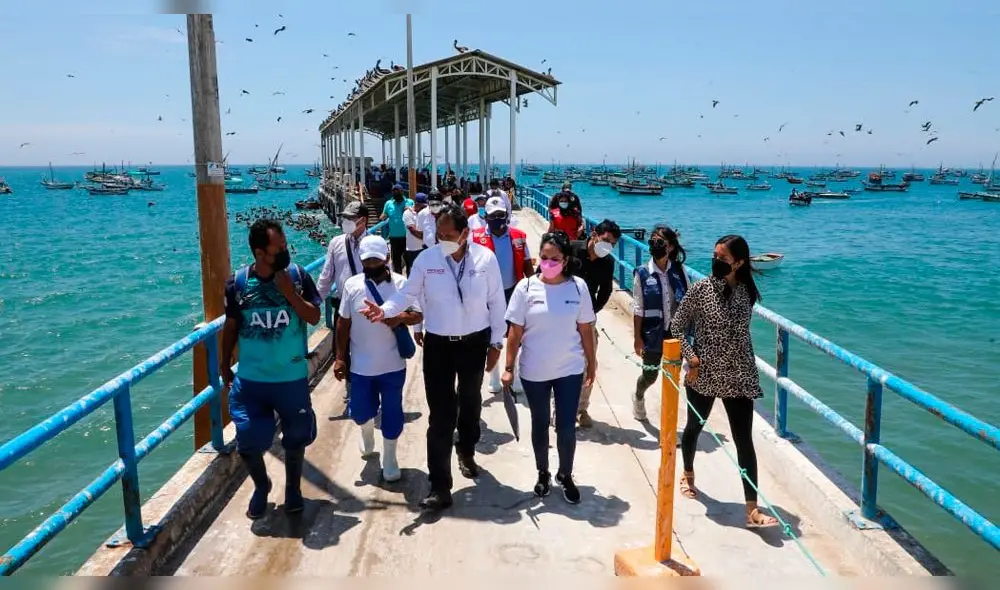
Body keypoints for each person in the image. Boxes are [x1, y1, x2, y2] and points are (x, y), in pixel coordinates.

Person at [359, 202, 507, 511]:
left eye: (449, 234)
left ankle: (466, 449)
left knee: (470, 403)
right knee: (440, 416)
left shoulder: (486, 259)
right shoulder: (427, 260)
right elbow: (407, 295)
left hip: (474, 344)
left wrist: (496, 346)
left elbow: (496, 303)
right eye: (438, 234)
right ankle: (440, 485)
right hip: (439, 346)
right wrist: (385, 310)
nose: (442, 240)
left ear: (465, 233)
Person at [669, 234, 778, 528]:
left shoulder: (747, 292)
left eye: (723, 258)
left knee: (744, 440)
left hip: (739, 374)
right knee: (694, 427)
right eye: (714, 256)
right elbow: (676, 327)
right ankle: (688, 473)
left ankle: (752, 509)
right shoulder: (701, 289)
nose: (715, 261)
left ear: (739, 262)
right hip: (703, 373)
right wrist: (690, 358)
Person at [220, 219, 322, 519]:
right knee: (249, 440)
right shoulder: (237, 284)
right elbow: (231, 324)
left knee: (296, 438)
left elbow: (315, 315)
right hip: (252, 381)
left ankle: (293, 488)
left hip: (291, 379)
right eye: (278, 246)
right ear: (259, 252)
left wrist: (290, 293)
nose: (285, 249)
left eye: (285, 243)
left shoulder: (298, 276)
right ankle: (262, 486)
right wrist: (224, 362)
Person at [502, 231, 596, 504]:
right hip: (534, 371)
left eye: (554, 259)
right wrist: (509, 367)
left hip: (570, 369)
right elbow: (515, 332)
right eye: (544, 258)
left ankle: (565, 474)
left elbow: (585, 329)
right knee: (540, 424)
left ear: (565, 260)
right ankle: (542, 472)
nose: (548, 263)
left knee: (566, 427)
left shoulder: (578, 287)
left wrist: (592, 362)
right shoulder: (526, 288)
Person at [335, 235, 423, 482]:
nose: (371, 265)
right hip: (361, 366)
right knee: (360, 412)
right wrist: (340, 358)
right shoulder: (352, 286)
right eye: (366, 261)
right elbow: (343, 323)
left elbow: (418, 314)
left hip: (393, 364)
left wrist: (399, 318)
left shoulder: (402, 283)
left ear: (385, 257)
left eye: (376, 260)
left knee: (393, 411)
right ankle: (365, 432)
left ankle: (390, 457)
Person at [471, 196, 535, 393]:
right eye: (493, 216)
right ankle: (494, 377)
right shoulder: (475, 237)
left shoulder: (519, 236)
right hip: (486, 293)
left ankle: (514, 373)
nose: (497, 219)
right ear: (486, 217)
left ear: (507, 216)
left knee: (516, 335)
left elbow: (526, 264)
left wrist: (533, 288)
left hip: (513, 291)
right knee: (492, 335)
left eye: (501, 215)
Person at [632, 224, 689, 421]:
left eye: (660, 242)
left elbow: (689, 302)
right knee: (650, 376)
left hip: (676, 335)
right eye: (652, 241)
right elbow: (638, 308)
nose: (655, 245)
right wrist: (637, 339)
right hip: (651, 334)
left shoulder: (680, 271)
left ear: (671, 247)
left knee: (672, 379)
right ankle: (638, 396)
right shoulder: (642, 273)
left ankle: (669, 424)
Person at [570, 219, 621, 427]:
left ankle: (581, 409)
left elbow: (606, 290)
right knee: (561, 365)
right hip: (561, 317)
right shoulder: (571, 249)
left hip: (587, 321)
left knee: (590, 364)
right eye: (605, 240)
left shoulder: (608, 262)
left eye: (613, 244)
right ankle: (560, 409)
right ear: (594, 234)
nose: (608, 246)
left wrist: (592, 312)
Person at [317, 201, 368, 398]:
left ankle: (366, 387)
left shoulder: (373, 243)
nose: (345, 221)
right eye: (344, 217)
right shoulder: (336, 243)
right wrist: (314, 303)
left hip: (366, 307)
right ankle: (351, 390)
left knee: (366, 348)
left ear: (362, 221)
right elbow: (326, 276)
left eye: (350, 218)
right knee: (343, 349)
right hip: (342, 306)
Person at [380, 184, 414, 273]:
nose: (395, 192)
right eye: (394, 191)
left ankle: (409, 280)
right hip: (394, 237)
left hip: (407, 236)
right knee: (396, 260)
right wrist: (383, 216)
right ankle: (398, 279)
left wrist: (410, 209)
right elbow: (383, 215)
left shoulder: (410, 202)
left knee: (409, 260)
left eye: (397, 191)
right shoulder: (388, 203)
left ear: (402, 191)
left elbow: (416, 214)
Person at [402, 192, 428, 275]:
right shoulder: (407, 213)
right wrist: (429, 237)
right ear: (416, 204)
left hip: (424, 248)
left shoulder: (425, 213)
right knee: (413, 273)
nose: (425, 208)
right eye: (423, 206)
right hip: (413, 249)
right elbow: (414, 232)